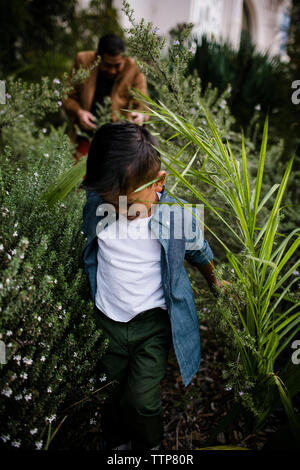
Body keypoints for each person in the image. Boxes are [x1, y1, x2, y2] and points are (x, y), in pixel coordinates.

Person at [81, 122, 223, 451]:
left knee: (141, 400)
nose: (119, 211)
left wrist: (216, 282)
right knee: (110, 390)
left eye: (128, 204)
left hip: (151, 326)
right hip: (108, 321)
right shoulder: (97, 205)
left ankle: (150, 446)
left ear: (158, 183)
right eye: (110, 201)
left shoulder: (176, 217)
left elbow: (199, 252)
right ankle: (114, 442)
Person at [63, 34, 148, 162]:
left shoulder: (134, 69)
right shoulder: (83, 61)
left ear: (124, 59)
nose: (112, 71)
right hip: (85, 135)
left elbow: (144, 106)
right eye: (107, 65)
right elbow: (66, 96)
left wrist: (140, 115)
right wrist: (79, 112)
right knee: (80, 176)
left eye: (117, 65)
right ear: (98, 58)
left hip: (118, 140)